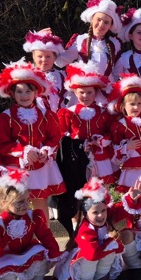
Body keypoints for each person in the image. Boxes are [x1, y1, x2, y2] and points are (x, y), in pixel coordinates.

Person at [0, 60, 65, 215]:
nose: (24, 95)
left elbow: (54, 137)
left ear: (36, 93)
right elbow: (1, 143)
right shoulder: (5, 117)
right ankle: (9, 236)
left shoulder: (47, 115)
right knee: (11, 203)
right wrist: (22, 151)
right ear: (12, 93)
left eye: (28, 91)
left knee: (40, 203)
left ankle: (44, 237)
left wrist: (46, 151)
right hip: (15, 168)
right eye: (19, 91)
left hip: (40, 167)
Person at [54, 61, 114, 237]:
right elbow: (62, 136)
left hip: (100, 159)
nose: (86, 96)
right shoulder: (68, 112)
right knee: (79, 191)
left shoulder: (103, 112)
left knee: (102, 190)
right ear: (74, 92)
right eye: (82, 92)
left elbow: (111, 133)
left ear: (96, 92)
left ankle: (104, 224)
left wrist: (102, 140)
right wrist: (77, 143)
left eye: (90, 92)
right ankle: (77, 227)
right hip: (78, 160)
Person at [54, 177, 125, 280]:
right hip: (88, 256)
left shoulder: (106, 221)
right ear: (86, 214)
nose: (101, 215)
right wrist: (110, 245)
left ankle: (101, 277)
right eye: (95, 212)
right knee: (91, 256)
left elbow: (122, 211)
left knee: (111, 248)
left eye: (103, 210)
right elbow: (91, 254)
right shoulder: (86, 230)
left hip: (99, 252)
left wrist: (132, 200)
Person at [62, 0, 123, 101]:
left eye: (106, 22)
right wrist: (46, 41)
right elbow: (60, 61)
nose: (101, 25)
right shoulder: (80, 40)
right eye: (98, 20)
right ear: (92, 19)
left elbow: (118, 72)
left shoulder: (115, 44)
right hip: (83, 95)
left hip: (105, 96)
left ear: (110, 26)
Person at [23, 30, 72, 111]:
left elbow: (76, 92)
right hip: (34, 119)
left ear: (55, 57)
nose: (44, 59)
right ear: (33, 57)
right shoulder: (26, 74)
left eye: (48, 56)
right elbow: (2, 83)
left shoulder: (62, 76)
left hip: (58, 119)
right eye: (40, 56)